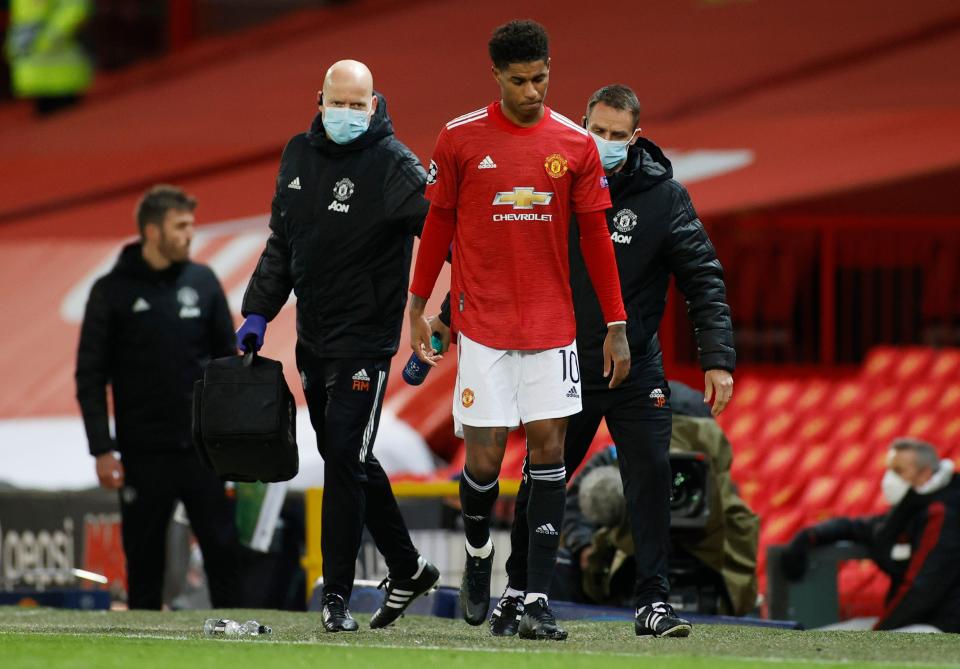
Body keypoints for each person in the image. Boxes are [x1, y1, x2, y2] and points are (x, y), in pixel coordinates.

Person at [431, 84, 735, 637]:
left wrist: (717, 358)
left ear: (635, 138)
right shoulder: (555, 179)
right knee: (542, 478)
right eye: (599, 131)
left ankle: (654, 602)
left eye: (619, 136)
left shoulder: (664, 198)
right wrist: (450, 316)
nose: (607, 143)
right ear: (583, 125)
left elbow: (703, 277)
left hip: (634, 363)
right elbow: (502, 258)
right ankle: (517, 590)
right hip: (563, 356)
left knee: (651, 474)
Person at [407, 21, 629, 641]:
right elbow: (438, 226)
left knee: (550, 454)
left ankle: (534, 596)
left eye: (542, 77)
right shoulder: (458, 139)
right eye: (520, 80)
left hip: (553, 328)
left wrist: (615, 323)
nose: (533, 90)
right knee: (482, 462)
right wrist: (418, 305)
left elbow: (596, 240)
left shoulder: (576, 145)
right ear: (497, 76)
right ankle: (478, 553)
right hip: (481, 329)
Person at [237, 60, 439, 633]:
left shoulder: (394, 165)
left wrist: (440, 307)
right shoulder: (297, 156)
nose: (348, 113)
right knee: (344, 456)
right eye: (339, 102)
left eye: (358, 104)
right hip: (314, 337)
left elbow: (444, 234)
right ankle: (408, 567)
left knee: (344, 460)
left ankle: (336, 598)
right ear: (319, 99)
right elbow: (284, 242)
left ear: (374, 104)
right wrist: (257, 310)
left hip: (367, 341)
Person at [75, 185, 241, 609]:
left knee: (224, 555)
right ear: (152, 231)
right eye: (180, 226)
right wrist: (101, 449)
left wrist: (236, 435)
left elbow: (230, 365)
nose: (189, 234)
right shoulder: (110, 291)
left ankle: (239, 643)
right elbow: (90, 376)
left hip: (204, 451)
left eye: (191, 226)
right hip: (142, 453)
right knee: (144, 563)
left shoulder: (203, 283)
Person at [781, 438, 960, 632]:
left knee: (834, 648)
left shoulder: (943, 512)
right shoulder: (913, 505)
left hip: (943, 626)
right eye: (889, 470)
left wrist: (877, 635)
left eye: (899, 471)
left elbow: (923, 589)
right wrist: (810, 535)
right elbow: (867, 528)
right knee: (818, 638)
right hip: (914, 621)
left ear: (924, 474)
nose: (890, 478)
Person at [4, 0, 93, 115]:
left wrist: (52, 36)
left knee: (69, 121)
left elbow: (76, 6)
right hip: (33, 78)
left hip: (62, 77)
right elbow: (24, 21)